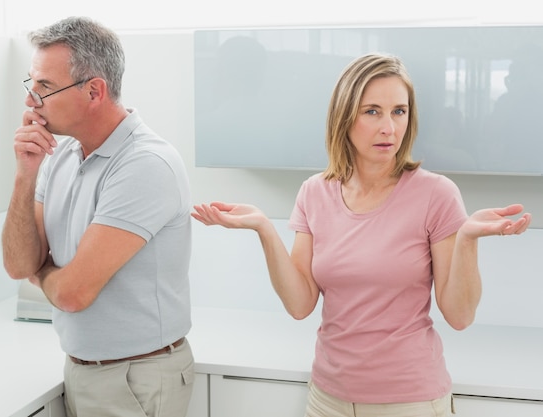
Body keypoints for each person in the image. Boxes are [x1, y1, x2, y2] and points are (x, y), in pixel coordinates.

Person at [192, 53, 531, 417]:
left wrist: (467, 239)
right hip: (327, 399)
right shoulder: (314, 193)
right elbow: (300, 304)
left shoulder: (436, 194)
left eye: (399, 111)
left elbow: (460, 316)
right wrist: (264, 229)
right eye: (372, 111)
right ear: (344, 116)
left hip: (410, 401)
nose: (389, 127)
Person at [1, 16, 194, 417]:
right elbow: (20, 265)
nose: (30, 99)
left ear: (94, 91)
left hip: (136, 378)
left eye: (45, 86)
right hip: (83, 369)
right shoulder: (60, 157)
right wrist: (25, 173)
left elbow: (73, 294)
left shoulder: (145, 164)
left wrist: (45, 272)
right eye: (31, 82)